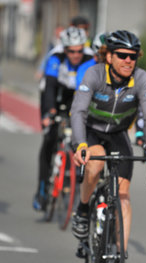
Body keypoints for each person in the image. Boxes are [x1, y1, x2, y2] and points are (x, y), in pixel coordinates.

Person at [71, 30, 146, 263]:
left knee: (123, 196)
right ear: (108, 56)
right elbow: (78, 111)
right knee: (96, 160)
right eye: (122, 55)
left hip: (119, 134)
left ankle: (121, 260)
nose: (128, 60)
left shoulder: (141, 78)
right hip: (91, 132)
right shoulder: (95, 74)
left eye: (133, 56)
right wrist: (80, 144)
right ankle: (83, 208)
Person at [32, 26, 93, 211]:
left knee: (82, 135)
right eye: (71, 51)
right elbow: (49, 87)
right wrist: (49, 113)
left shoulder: (90, 59)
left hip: (78, 94)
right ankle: (42, 187)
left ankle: (75, 179)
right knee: (49, 138)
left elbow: (89, 91)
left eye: (79, 50)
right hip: (56, 94)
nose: (76, 54)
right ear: (65, 49)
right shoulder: (55, 58)